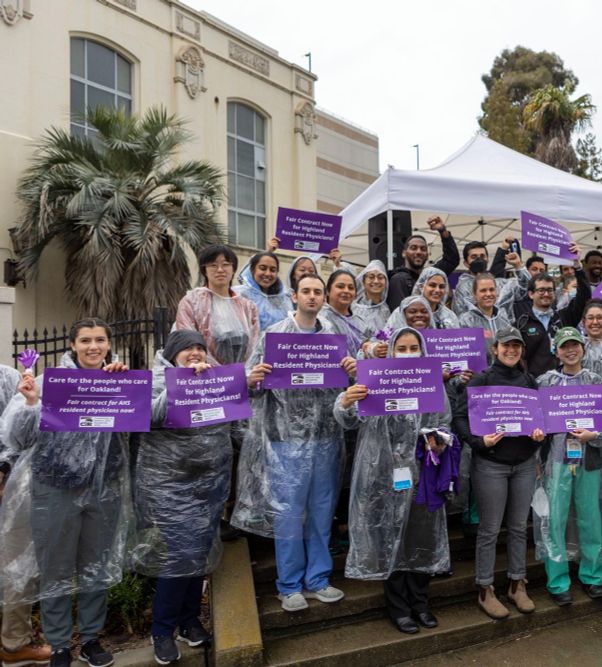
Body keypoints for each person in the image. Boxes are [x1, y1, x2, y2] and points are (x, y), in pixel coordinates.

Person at [0, 319, 131, 667]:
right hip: (54, 488)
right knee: (55, 569)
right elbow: (17, 438)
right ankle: (59, 645)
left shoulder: (118, 380)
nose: (93, 347)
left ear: (108, 343)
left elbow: (139, 424)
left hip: (104, 489)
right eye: (85, 340)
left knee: (95, 567)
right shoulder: (48, 383)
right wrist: (31, 403)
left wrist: (125, 386)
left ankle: (90, 639)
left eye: (100, 340)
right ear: (72, 345)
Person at [235, 275, 355, 612]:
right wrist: (254, 379)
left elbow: (347, 388)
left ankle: (318, 579)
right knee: (289, 514)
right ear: (294, 296)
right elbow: (252, 384)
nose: (313, 297)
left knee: (321, 511)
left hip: (327, 437)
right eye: (307, 291)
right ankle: (289, 585)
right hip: (285, 441)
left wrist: (351, 370)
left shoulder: (334, 335)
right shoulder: (274, 336)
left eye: (318, 292)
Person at [334, 328, 459, 634]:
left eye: (413, 347)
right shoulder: (375, 378)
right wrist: (347, 400)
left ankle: (420, 603)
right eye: (401, 347)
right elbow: (349, 420)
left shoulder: (430, 381)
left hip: (422, 473)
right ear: (390, 350)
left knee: (421, 537)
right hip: (384, 474)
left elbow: (444, 422)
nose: (407, 352)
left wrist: (437, 440)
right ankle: (399, 608)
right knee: (391, 538)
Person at [132, 331, 229, 664]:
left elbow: (231, 420)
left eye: (201, 348)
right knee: (179, 556)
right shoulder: (155, 381)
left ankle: (189, 621)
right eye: (188, 348)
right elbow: (148, 415)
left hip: (207, 484)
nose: (195, 353)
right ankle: (162, 630)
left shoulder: (214, 379)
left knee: (197, 556)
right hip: (170, 488)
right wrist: (183, 384)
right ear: (173, 353)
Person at [453, 328, 545, 620]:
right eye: (506, 346)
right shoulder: (482, 380)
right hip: (491, 464)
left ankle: (517, 583)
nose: (511, 350)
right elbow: (459, 417)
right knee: (490, 530)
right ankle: (485, 588)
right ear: (495, 349)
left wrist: (539, 433)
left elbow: (539, 416)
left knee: (518, 527)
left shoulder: (529, 381)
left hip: (524, 464)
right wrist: (479, 442)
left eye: (516, 346)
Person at [535, 328, 602, 605]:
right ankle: (557, 581)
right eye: (564, 346)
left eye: (575, 345)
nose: (571, 351)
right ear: (556, 351)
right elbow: (536, 425)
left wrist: (594, 436)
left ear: (583, 348)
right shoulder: (545, 383)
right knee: (554, 521)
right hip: (556, 462)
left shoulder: (596, 381)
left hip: (589, 461)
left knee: (591, 520)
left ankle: (592, 576)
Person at [0, 366, 51, 667]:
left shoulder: (7, 378)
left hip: (11, 487)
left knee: (15, 566)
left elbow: (13, 433)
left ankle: (14, 644)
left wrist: (4, 470)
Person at [175, 244, 261, 365]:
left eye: (226, 264)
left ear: (233, 269)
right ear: (204, 270)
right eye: (213, 265)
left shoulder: (248, 307)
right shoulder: (191, 302)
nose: (220, 270)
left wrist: (245, 373)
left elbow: (254, 345)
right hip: (205, 375)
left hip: (242, 376)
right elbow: (187, 341)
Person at [512, 254, 592, 378]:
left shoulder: (564, 316)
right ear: (531, 294)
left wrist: (578, 266)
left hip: (565, 384)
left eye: (550, 290)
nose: (546, 294)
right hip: (536, 386)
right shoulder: (522, 322)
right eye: (541, 290)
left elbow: (584, 296)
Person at [386, 217, 460, 311]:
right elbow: (399, 314)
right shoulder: (399, 279)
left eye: (423, 249)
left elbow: (451, 260)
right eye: (413, 248)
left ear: (427, 255)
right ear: (404, 253)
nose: (418, 252)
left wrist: (443, 231)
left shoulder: (431, 275)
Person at [452, 240, 529, 317]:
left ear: (488, 259)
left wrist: (518, 265)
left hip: (504, 328)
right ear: (466, 263)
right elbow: (460, 317)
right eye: (474, 257)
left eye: (482, 256)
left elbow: (526, 290)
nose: (479, 259)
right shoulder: (463, 288)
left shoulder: (501, 283)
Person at [235, 251, 294, 331]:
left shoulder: (284, 299)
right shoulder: (240, 294)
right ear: (252, 270)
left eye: (273, 270)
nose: (267, 273)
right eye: (263, 268)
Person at [319, 269, 367, 357]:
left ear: (356, 294)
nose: (346, 291)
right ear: (328, 291)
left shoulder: (361, 321)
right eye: (340, 286)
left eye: (351, 288)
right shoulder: (320, 320)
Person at [457, 273, 512, 343]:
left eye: (492, 289)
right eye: (483, 290)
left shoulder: (503, 317)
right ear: (474, 294)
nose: (488, 294)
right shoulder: (465, 321)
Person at [352, 260, 391, 341]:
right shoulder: (353, 309)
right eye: (371, 277)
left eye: (380, 277)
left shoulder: (388, 309)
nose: (376, 281)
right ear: (363, 281)